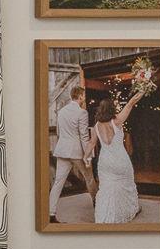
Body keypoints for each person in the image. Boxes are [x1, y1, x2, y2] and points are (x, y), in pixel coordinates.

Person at [92, 94, 143, 224]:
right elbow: (131, 102)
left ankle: (104, 216)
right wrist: (143, 87)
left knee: (106, 189)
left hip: (105, 162)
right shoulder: (117, 121)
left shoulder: (96, 126)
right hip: (120, 160)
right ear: (112, 109)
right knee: (126, 185)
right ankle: (128, 210)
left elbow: (91, 144)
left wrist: (86, 156)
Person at [49, 84, 96, 222]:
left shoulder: (61, 111)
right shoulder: (82, 112)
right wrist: (88, 155)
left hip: (62, 150)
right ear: (80, 96)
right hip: (76, 152)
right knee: (89, 177)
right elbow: (84, 136)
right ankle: (97, 204)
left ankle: (51, 214)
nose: (84, 98)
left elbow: (58, 132)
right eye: (83, 96)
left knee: (58, 182)